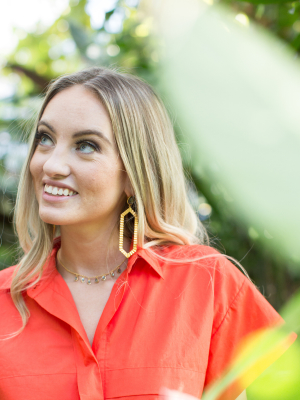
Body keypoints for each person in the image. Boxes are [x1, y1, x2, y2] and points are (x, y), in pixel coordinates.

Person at [0, 67, 290, 400]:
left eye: (85, 146)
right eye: (45, 138)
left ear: (133, 172)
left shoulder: (207, 282)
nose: (51, 164)